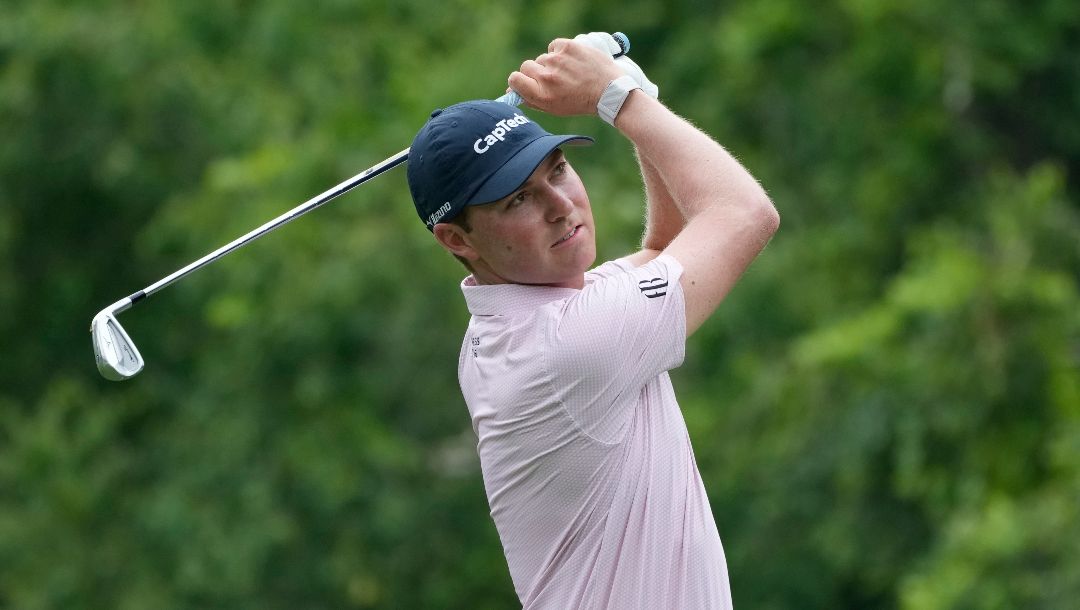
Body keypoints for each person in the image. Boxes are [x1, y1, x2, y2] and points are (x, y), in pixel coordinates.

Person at [406, 33, 779, 609]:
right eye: (517, 200)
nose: (561, 207)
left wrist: (636, 92)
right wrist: (619, 99)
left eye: (557, 171)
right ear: (457, 239)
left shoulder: (522, 325)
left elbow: (664, 250)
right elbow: (746, 213)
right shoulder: (568, 345)